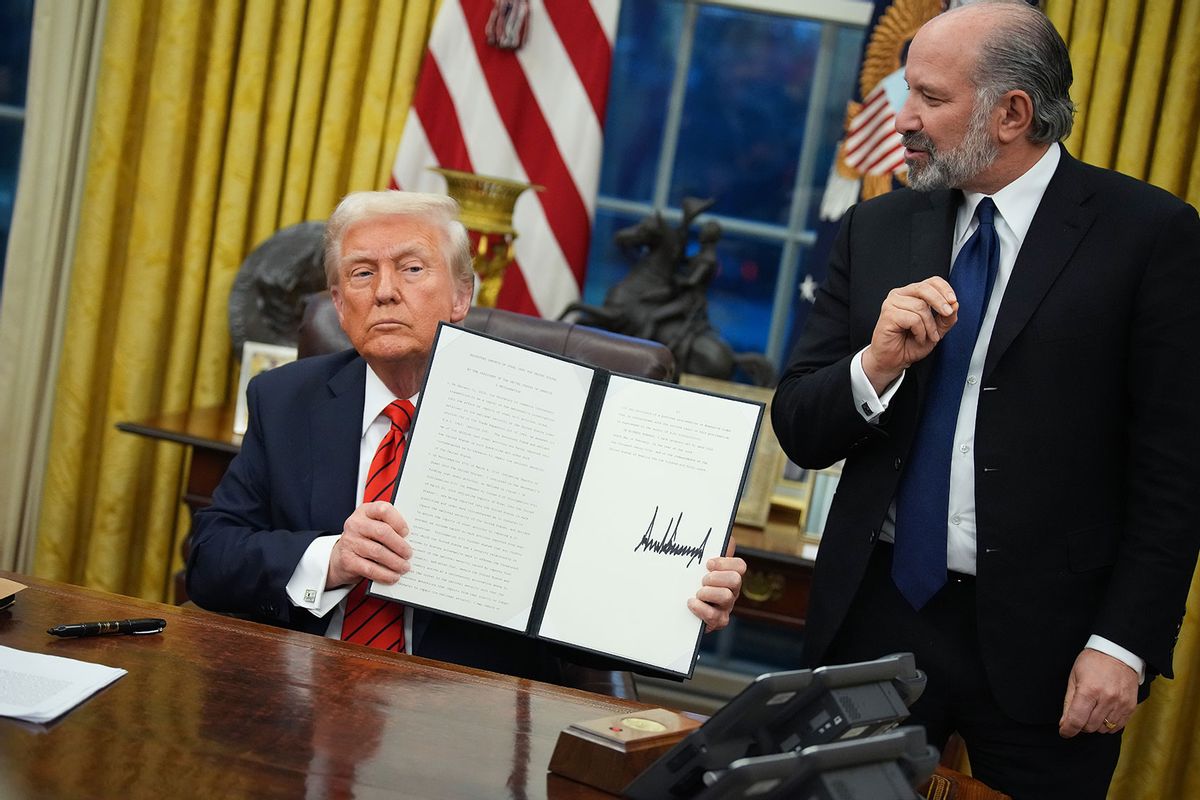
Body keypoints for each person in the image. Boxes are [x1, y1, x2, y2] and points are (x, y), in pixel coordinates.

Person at [771, 2, 1200, 798]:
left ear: (1012, 113)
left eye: (929, 97)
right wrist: (876, 364)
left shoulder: (1151, 235)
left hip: (1054, 644)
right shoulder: (877, 228)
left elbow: (1176, 474)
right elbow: (799, 426)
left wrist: (1124, 643)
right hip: (876, 614)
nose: (904, 118)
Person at [187, 190, 746, 684]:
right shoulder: (285, 399)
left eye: (411, 269)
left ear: (460, 296)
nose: (384, 292)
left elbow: (584, 625)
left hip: (467, 712)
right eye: (361, 273)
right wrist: (330, 558)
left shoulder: (543, 420)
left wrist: (681, 604)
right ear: (338, 303)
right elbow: (209, 559)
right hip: (307, 696)